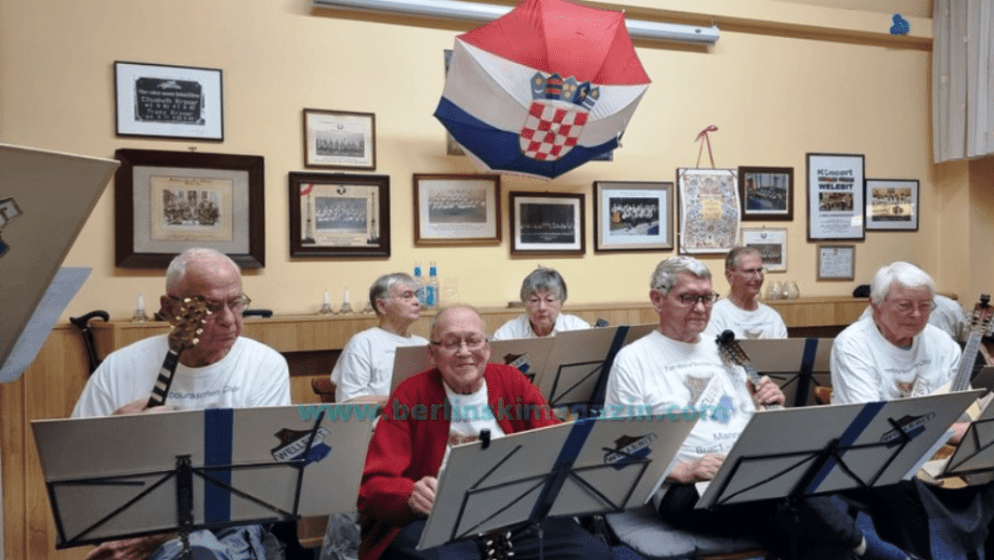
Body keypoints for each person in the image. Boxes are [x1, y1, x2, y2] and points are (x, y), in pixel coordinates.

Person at [604, 256, 914, 560]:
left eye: (707, 298)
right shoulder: (633, 360)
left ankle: (864, 550)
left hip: (750, 469)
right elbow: (623, 447)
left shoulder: (724, 348)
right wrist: (682, 470)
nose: (700, 308)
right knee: (790, 506)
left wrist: (768, 405)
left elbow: (753, 418)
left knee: (801, 512)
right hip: (689, 489)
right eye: (687, 298)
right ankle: (873, 550)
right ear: (657, 299)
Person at [72, 248, 291, 560]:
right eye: (211, 307)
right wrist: (113, 434)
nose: (229, 320)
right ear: (171, 309)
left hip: (230, 526)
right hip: (135, 523)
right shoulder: (119, 367)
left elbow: (259, 481)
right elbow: (76, 468)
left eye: (236, 303)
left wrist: (169, 531)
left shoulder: (264, 366)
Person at [357, 306, 611, 560]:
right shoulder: (411, 395)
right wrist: (410, 495)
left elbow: (553, 442)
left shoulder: (512, 381)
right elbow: (372, 485)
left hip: (514, 513)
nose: (464, 352)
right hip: (439, 520)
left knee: (592, 553)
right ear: (432, 353)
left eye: (473, 341)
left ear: (487, 349)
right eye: (451, 343)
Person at [831, 261, 994, 559]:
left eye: (925, 305)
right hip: (869, 454)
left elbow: (955, 405)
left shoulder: (941, 342)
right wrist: (945, 431)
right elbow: (874, 426)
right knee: (896, 486)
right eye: (905, 305)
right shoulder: (852, 344)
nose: (917, 315)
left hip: (934, 447)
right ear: (876, 305)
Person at [331, 273, 428, 404]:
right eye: (407, 296)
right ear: (382, 306)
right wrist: (400, 399)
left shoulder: (422, 343)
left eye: (416, 295)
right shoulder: (363, 343)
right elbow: (349, 400)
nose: (417, 302)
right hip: (376, 421)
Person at [704, 246, 787, 340]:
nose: (758, 278)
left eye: (759, 270)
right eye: (750, 271)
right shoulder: (716, 315)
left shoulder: (772, 318)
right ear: (730, 276)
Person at [492, 267, 589, 340]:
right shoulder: (509, 333)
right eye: (534, 300)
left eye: (549, 300)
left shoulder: (577, 328)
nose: (542, 307)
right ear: (525, 303)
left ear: (561, 302)